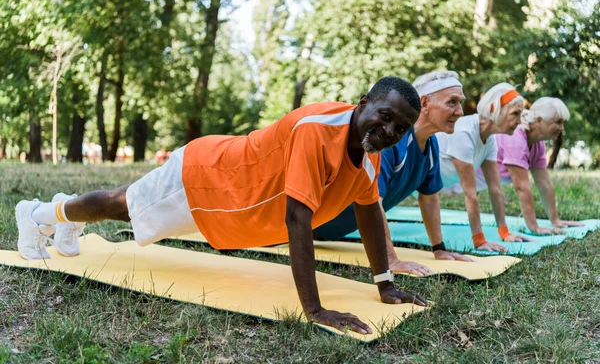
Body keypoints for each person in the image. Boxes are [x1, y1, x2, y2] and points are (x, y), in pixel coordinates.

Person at [15, 76, 428, 335]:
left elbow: (369, 212)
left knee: (123, 204)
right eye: (385, 115)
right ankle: (39, 215)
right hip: (206, 178)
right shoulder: (316, 131)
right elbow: (297, 219)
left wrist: (385, 283)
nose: (389, 130)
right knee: (119, 204)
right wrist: (314, 309)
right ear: (363, 103)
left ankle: (60, 213)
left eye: (401, 128)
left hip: (226, 207)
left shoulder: (368, 157)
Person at [314, 71, 474, 276]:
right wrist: (389, 259)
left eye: (460, 103)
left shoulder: (431, 145)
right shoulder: (390, 141)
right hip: (308, 224)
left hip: (330, 234)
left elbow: (429, 199)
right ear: (424, 103)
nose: (460, 112)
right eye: (452, 102)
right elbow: (373, 202)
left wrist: (439, 249)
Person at [436, 83, 533, 253]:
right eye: (515, 114)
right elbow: (470, 194)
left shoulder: (489, 139)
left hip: (429, 186)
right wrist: (480, 241)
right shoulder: (464, 132)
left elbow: (495, 189)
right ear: (494, 109)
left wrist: (505, 232)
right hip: (411, 179)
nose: (519, 121)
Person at [493, 97, 583, 234]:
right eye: (558, 122)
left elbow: (545, 183)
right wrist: (535, 228)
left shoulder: (538, 143)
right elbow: (521, 187)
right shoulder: (515, 138)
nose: (562, 128)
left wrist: (555, 220)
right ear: (539, 120)